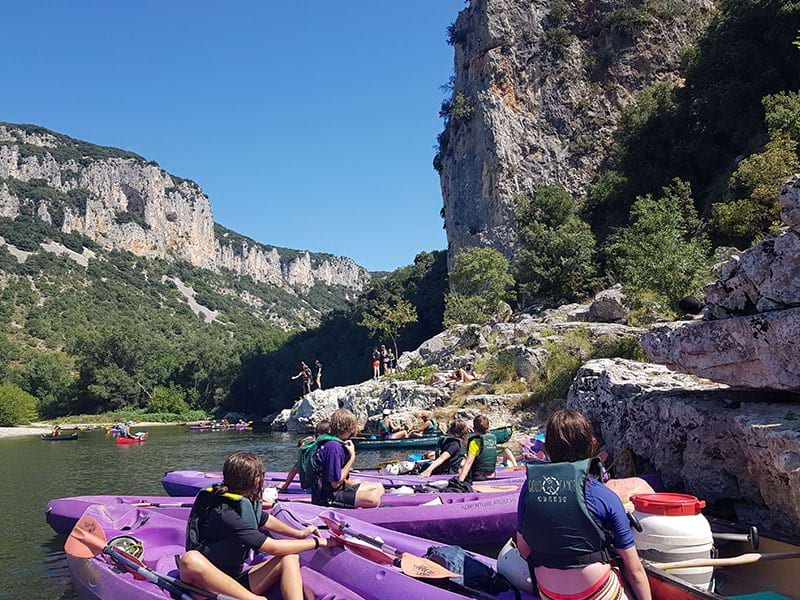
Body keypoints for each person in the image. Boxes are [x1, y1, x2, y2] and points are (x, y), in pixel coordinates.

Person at [514, 410, 652, 600]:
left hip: (549, 593)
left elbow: (524, 550)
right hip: (598, 591)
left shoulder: (529, 490)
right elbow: (635, 571)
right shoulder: (603, 495)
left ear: (547, 449)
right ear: (591, 444)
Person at [180, 451, 340, 600]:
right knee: (190, 559)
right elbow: (272, 547)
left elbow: (263, 518)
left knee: (289, 558)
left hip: (233, 582)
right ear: (257, 480)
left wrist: (299, 533)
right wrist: (319, 542)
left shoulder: (242, 503)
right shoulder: (223, 513)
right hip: (205, 588)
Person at [299, 409, 384, 508]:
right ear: (348, 427)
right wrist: (352, 457)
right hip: (328, 497)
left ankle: (355, 499)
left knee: (379, 486)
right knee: (373, 499)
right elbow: (335, 483)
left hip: (335, 489)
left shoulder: (330, 442)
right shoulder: (334, 447)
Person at [278, 420, 331, 491]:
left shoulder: (307, 449)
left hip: (308, 488)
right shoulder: (330, 448)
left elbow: (295, 469)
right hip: (323, 490)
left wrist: (285, 485)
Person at [457, 415, 497, 482]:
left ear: (474, 428)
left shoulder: (475, 442)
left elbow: (468, 463)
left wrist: (460, 481)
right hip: (492, 475)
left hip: (478, 476)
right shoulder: (493, 439)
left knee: (459, 470)